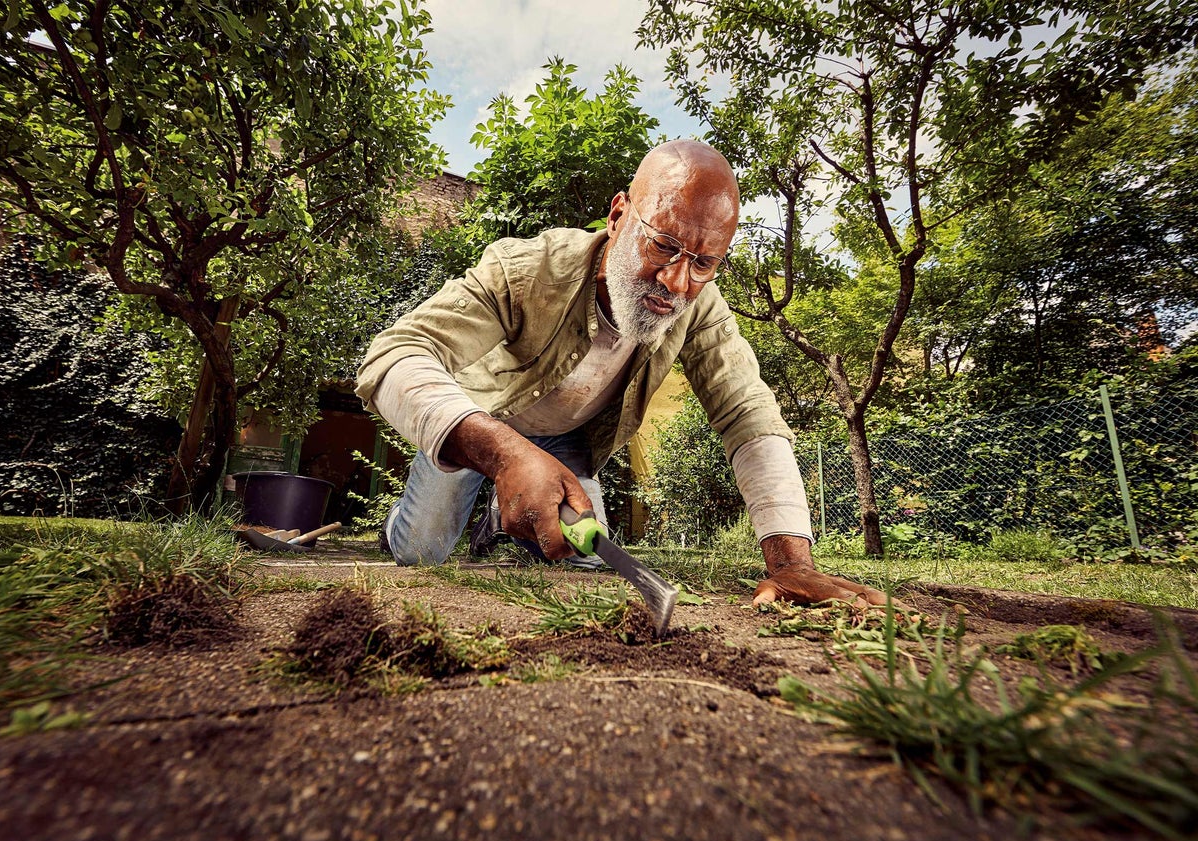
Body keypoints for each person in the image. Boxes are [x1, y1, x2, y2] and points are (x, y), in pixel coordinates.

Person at [355, 139, 887, 607]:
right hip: (481, 423)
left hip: (564, 441)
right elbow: (392, 355)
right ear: (618, 216)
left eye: (703, 262)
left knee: (586, 554)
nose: (677, 282)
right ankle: (402, 523)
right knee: (421, 550)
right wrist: (504, 455)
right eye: (664, 245)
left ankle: (500, 518)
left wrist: (792, 564)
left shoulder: (701, 309)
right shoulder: (526, 268)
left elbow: (748, 412)